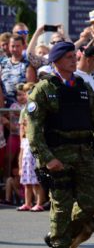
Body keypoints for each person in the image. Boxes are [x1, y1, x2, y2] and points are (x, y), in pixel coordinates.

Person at [26, 41, 94, 248]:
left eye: (73, 55)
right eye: (68, 56)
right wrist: (47, 159)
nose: (72, 59)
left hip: (84, 154)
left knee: (90, 203)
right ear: (56, 60)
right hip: (58, 156)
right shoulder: (44, 89)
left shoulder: (82, 86)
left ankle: (59, 233)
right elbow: (34, 131)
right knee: (62, 205)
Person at [16, 84, 46, 212]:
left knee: (37, 180)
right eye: (27, 92)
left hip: (37, 144)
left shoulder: (40, 108)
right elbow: (22, 127)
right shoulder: (24, 110)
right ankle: (27, 203)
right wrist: (20, 167)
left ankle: (38, 203)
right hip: (27, 143)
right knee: (27, 181)